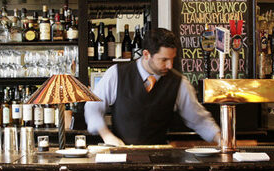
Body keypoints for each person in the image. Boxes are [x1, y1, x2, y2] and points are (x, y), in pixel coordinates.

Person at [85, 27, 220, 146]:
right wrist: (106, 135)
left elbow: (198, 119)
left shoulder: (179, 82)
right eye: (164, 60)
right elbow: (92, 107)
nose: (170, 65)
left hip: (160, 160)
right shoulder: (116, 74)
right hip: (121, 157)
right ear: (146, 54)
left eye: (172, 59)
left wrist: (220, 138)